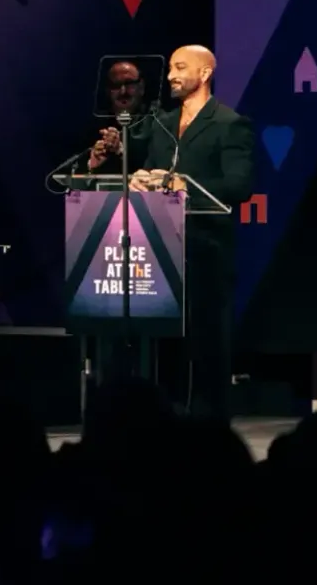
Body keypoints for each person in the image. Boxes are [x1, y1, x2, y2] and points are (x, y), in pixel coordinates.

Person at [91, 45, 255, 418]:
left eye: (180, 68)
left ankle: (210, 426)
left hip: (206, 251)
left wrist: (184, 185)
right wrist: (142, 178)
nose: (170, 76)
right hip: (159, 250)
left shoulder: (229, 123)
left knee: (207, 347)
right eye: (169, 69)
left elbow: (239, 185)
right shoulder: (162, 123)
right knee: (164, 347)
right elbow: (153, 167)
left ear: (205, 73)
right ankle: (163, 420)